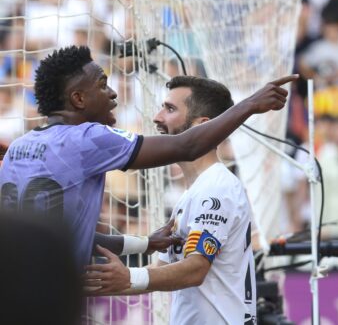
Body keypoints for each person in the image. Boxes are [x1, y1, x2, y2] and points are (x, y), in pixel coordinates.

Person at [0, 45, 296, 268]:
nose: (113, 94)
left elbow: (73, 237)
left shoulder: (18, 147)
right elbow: (186, 146)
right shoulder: (88, 137)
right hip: (45, 297)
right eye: (103, 85)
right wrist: (250, 105)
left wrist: (145, 243)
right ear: (78, 99)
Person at [85, 76, 257, 324]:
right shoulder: (192, 192)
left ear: (202, 125)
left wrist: (129, 277)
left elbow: (196, 268)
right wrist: (92, 282)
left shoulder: (217, 187)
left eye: (170, 109)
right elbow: (160, 270)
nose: (157, 117)